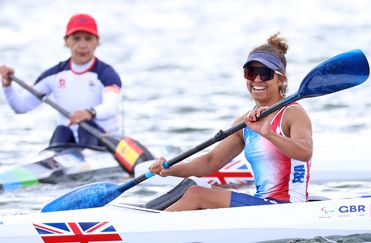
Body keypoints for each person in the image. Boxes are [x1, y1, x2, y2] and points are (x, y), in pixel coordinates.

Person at [149, 32, 313, 211]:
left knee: (197, 194)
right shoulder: (245, 123)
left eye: (265, 73)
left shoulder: (292, 112)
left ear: (281, 78)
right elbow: (211, 161)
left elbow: (304, 152)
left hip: (288, 207)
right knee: (194, 184)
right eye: (251, 73)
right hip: (263, 204)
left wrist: (269, 134)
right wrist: (170, 169)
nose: (257, 79)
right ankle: (149, 217)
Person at [0, 13, 122, 147]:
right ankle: (55, 160)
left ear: (97, 42)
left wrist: (89, 113)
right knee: (61, 130)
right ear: (66, 41)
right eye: (76, 39)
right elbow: (21, 107)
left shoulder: (106, 74)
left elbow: (112, 107)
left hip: (104, 142)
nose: (82, 45)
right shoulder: (54, 75)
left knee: (85, 126)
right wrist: (8, 87)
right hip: (69, 142)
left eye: (88, 39)